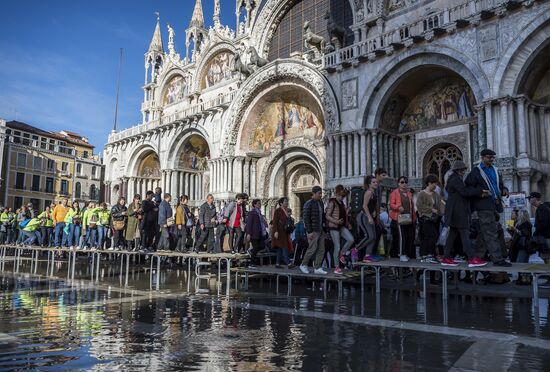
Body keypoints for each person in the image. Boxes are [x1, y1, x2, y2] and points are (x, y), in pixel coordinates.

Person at [465, 149, 510, 266]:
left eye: (492, 158)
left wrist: (504, 189)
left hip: (495, 204)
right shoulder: (475, 172)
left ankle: (477, 257)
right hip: (483, 205)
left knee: (484, 232)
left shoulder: (495, 170)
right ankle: (498, 259)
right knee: (491, 232)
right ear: (483, 157)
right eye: (489, 157)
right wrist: (480, 192)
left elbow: (499, 185)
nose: (491, 159)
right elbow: (468, 189)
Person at [443, 160, 489, 267]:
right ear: (458, 170)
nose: (464, 172)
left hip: (455, 212)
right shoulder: (455, 179)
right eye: (463, 170)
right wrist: (480, 191)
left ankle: (446, 257)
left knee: (452, 236)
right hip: (458, 212)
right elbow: (465, 192)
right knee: (465, 235)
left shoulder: (454, 179)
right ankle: (471, 259)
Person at [325, 185, 354, 274]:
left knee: (351, 239)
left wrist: (348, 224)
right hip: (334, 227)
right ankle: (336, 266)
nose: (341, 197)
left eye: (343, 196)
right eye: (340, 195)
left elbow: (344, 215)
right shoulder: (332, 202)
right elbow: (327, 216)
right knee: (337, 247)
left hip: (341, 226)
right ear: (336, 193)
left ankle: (342, 253)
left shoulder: (342, 204)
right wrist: (336, 221)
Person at [416, 174, 444, 264]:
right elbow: (419, 206)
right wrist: (430, 209)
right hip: (425, 219)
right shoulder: (422, 194)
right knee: (432, 235)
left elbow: (439, 205)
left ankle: (427, 254)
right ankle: (429, 254)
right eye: (434, 183)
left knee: (430, 236)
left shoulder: (436, 194)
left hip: (434, 219)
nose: (435, 185)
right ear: (429, 183)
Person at [300, 186, 327, 274]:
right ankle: (303, 265)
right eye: (319, 193)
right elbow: (306, 218)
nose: (320, 195)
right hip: (314, 230)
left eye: (321, 193)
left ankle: (317, 267)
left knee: (321, 249)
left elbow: (322, 216)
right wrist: (309, 231)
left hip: (321, 229)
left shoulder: (321, 203)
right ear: (314, 193)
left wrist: (324, 227)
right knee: (312, 248)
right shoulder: (308, 203)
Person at [356, 176, 383, 263]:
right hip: (364, 216)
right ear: (369, 184)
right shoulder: (369, 192)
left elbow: (372, 205)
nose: (376, 183)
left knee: (373, 237)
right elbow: (364, 205)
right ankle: (355, 249)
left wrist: (375, 214)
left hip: (369, 216)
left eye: (376, 182)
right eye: (373, 182)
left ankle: (367, 256)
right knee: (369, 236)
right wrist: (369, 217)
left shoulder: (373, 193)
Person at [389, 176, 416, 261]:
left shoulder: (409, 193)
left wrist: (414, 218)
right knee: (402, 236)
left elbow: (412, 206)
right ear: (398, 183)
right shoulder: (395, 192)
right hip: (399, 218)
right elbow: (391, 204)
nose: (404, 184)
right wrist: (398, 207)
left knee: (410, 236)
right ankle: (401, 254)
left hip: (409, 218)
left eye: (406, 182)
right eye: (402, 182)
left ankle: (407, 253)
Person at [528, 192, 550, 263]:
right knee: (546, 257)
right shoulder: (542, 208)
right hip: (545, 237)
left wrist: (535, 233)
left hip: (546, 238)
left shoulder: (541, 208)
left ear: (535, 198)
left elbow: (544, 223)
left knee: (547, 257)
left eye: (530, 198)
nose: (529, 200)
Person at [245, 199, 268, 268]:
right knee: (256, 247)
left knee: (262, 246)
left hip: (259, 232)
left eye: (260, 203)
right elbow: (249, 223)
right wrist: (248, 233)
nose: (260, 205)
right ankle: (251, 263)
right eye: (258, 203)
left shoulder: (259, 213)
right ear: (254, 204)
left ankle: (251, 251)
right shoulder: (252, 212)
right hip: (253, 233)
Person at [272, 197, 293, 268]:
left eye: (287, 201)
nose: (286, 203)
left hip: (284, 232)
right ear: (281, 203)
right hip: (279, 232)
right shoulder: (278, 210)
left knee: (280, 248)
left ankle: (277, 263)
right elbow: (275, 221)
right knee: (284, 247)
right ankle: (288, 263)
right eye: (285, 201)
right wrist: (276, 231)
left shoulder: (286, 211)